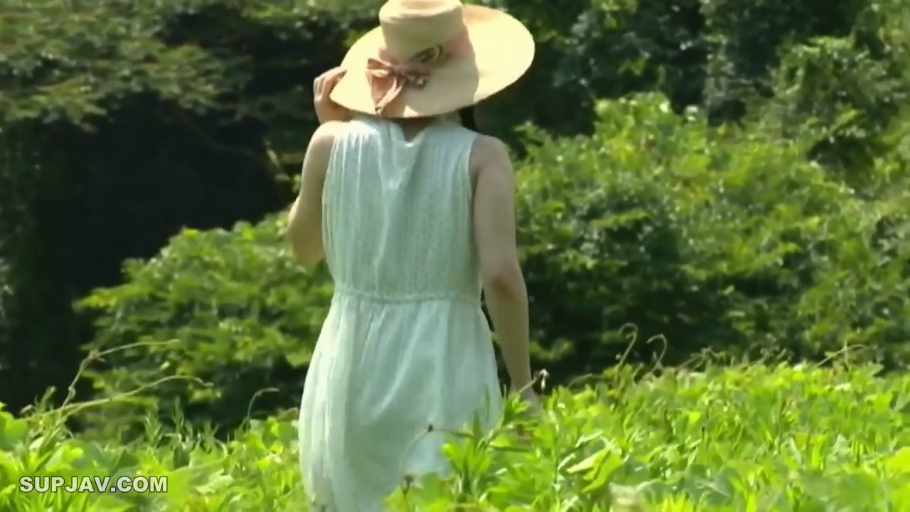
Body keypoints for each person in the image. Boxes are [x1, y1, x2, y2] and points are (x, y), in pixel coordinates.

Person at [286, 0, 538, 509]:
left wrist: (328, 136)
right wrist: (523, 384)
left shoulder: (330, 144)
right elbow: (500, 276)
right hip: (444, 360)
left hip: (351, 362)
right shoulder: (482, 156)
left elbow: (305, 250)